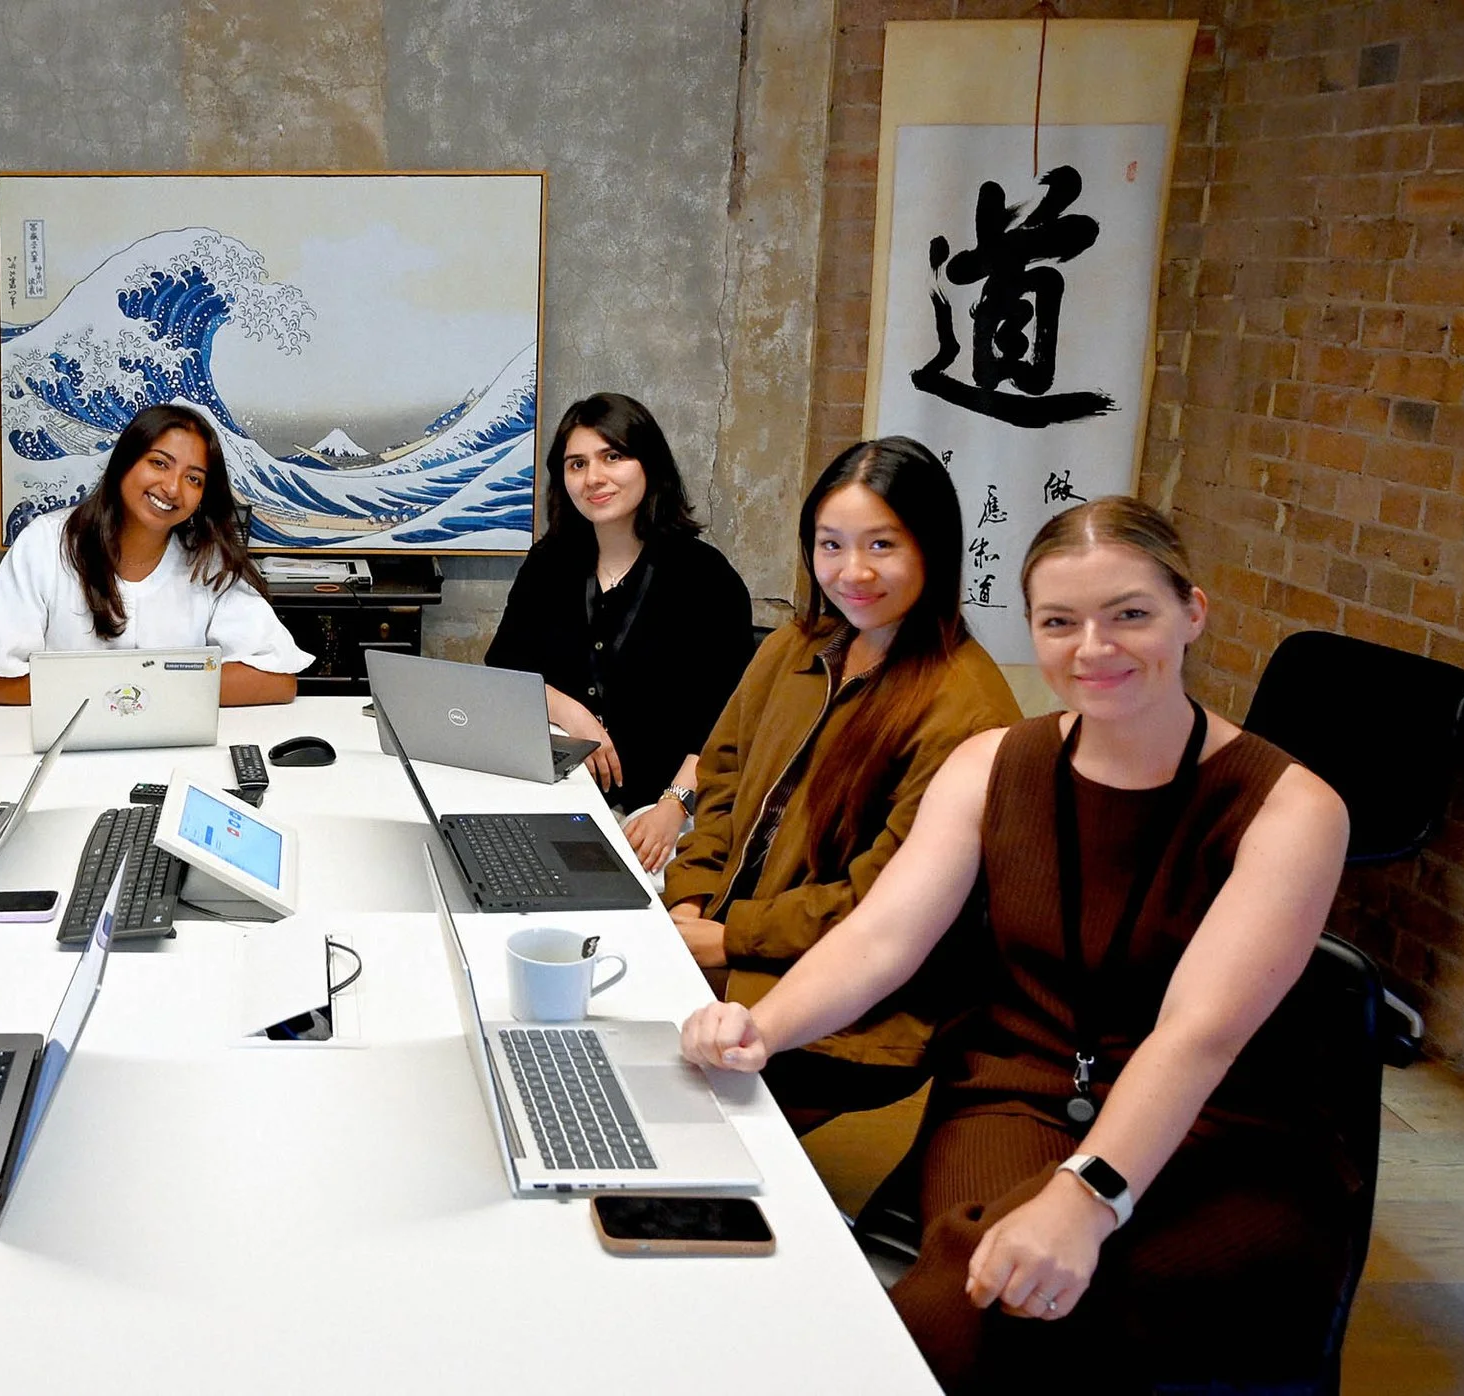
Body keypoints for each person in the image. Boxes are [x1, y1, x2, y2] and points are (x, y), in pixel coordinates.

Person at [680, 497, 1351, 1393]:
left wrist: (1088, 1197)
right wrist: (764, 1028)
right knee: (985, 1289)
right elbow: (883, 939)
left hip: (1219, 1129)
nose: (1094, 649)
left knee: (1023, 1304)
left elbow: (1200, 1035)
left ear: (1193, 612)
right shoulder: (994, 763)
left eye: (1131, 615)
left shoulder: (1292, 806)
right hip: (1016, 1091)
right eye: (1059, 622)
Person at [661, 437, 1019, 1132]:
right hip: (724, 950)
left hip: (851, 1013)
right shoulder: (794, 646)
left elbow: (879, 902)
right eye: (831, 545)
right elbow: (723, 778)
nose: (852, 572)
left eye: (882, 546)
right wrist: (689, 901)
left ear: (933, 549)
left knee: (663, 1122)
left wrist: (727, 938)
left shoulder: (968, 709)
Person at [484, 392, 754, 863]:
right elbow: (503, 671)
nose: (594, 478)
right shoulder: (549, 563)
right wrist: (574, 714)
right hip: (559, 792)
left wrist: (673, 808)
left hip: (667, 806)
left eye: (613, 457)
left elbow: (725, 722)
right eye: (576, 464)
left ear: (649, 464)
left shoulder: (706, 578)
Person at [0, 403, 309, 705]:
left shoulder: (207, 562)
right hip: (66, 753)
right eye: (159, 463)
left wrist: (144, 692)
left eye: (194, 479)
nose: (172, 488)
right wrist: (122, 692)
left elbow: (276, 680)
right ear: (125, 461)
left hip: (173, 755)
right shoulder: (46, 543)